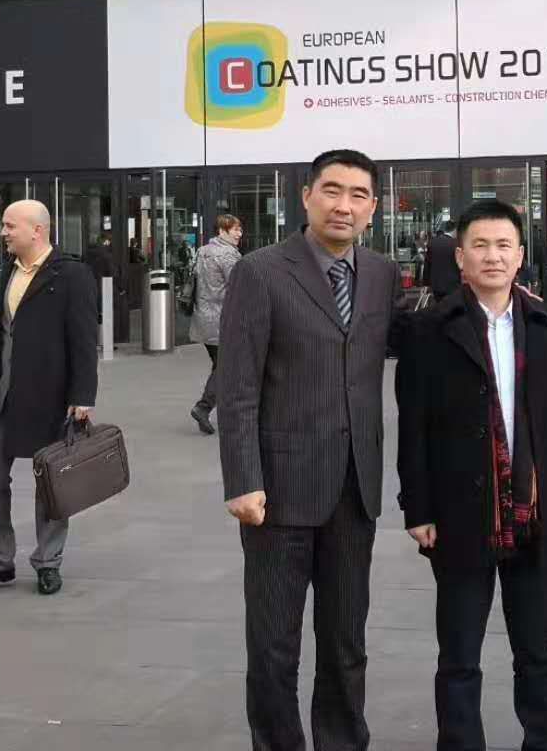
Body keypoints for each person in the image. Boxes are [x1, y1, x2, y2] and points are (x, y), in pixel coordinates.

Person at [217, 149, 406, 751]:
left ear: (373, 208)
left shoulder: (381, 273)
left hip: (355, 488)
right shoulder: (261, 272)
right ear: (306, 196)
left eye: (358, 194)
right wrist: (242, 479)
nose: (343, 205)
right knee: (274, 645)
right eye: (332, 190)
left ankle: (342, 741)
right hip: (279, 491)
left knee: (347, 642)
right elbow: (237, 387)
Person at [396, 199, 547, 751]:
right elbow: (413, 426)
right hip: (459, 512)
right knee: (459, 655)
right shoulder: (428, 329)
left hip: (532, 512)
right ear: (460, 257)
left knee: (537, 652)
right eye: (480, 245)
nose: (492, 256)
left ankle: (542, 741)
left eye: (503, 245)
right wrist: (418, 508)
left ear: (520, 256)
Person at [0, 200, 97, 599]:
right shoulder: (1, 272)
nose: (3, 232)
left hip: (51, 398)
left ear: (38, 230)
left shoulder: (72, 275)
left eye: (9, 225)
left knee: (51, 483)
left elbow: (84, 339)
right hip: (0, 397)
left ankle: (48, 562)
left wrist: (83, 395)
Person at [189, 214, 243, 435]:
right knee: (227, 368)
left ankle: (227, 411)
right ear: (222, 231)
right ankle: (203, 408)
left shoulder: (202, 251)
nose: (239, 234)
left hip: (204, 319)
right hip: (223, 320)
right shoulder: (228, 255)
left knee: (221, 366)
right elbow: (240, 286)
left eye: (240, 230)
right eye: (235, 230)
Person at [423, 219, 461, 302]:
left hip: (436, 285)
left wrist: (426, 283)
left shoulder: (433, 242)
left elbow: (427, 264)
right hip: (453, 285)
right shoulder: (456, 245)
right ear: (455, 230)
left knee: (440, 306)